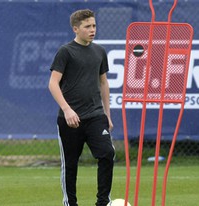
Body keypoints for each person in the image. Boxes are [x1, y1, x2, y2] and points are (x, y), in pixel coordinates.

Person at [48, 9, 115, 206]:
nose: (92, 30)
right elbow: (53, 83)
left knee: (107, 153)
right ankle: (70, 203)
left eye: (94, 26)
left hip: (96, 116)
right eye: (87, 27)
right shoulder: (66, 52)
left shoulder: (100, 51)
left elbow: (103, 83)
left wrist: (107, 114)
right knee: (70, 164)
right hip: (70, 119)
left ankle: (103, 202)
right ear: (76, 29)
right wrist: (67, 110)